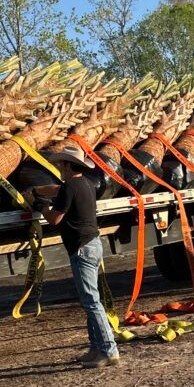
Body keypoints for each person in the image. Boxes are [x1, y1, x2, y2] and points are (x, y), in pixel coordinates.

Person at [33, 144, 120, 369]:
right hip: (92, 244)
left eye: (61, 164)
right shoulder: (85, 184)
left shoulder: (70, 187)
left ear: (66, 165)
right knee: (90, 300)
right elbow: (57, 190)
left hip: (82, 248)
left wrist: (41, 207)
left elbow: (55, 219)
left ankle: (109, 351)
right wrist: (39, 191)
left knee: (91, 302)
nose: (59, 167)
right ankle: (95, 348)